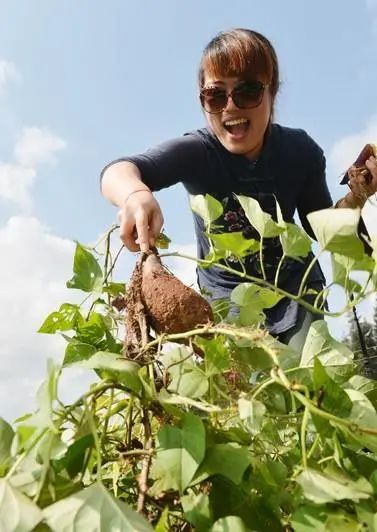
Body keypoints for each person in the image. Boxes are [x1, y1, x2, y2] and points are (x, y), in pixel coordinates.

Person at [100, 28, 377, 351]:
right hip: (226, 301)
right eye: (216, 95)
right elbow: (119, 170)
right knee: (246, 391)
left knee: (305, 381)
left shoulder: (300, 151)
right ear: (203, 102)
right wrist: (135, 194)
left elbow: (323, 230)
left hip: (296, 293)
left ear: (272, 93)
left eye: (248, 91)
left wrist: (358, 194)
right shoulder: (199, 151)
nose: (230, 107)